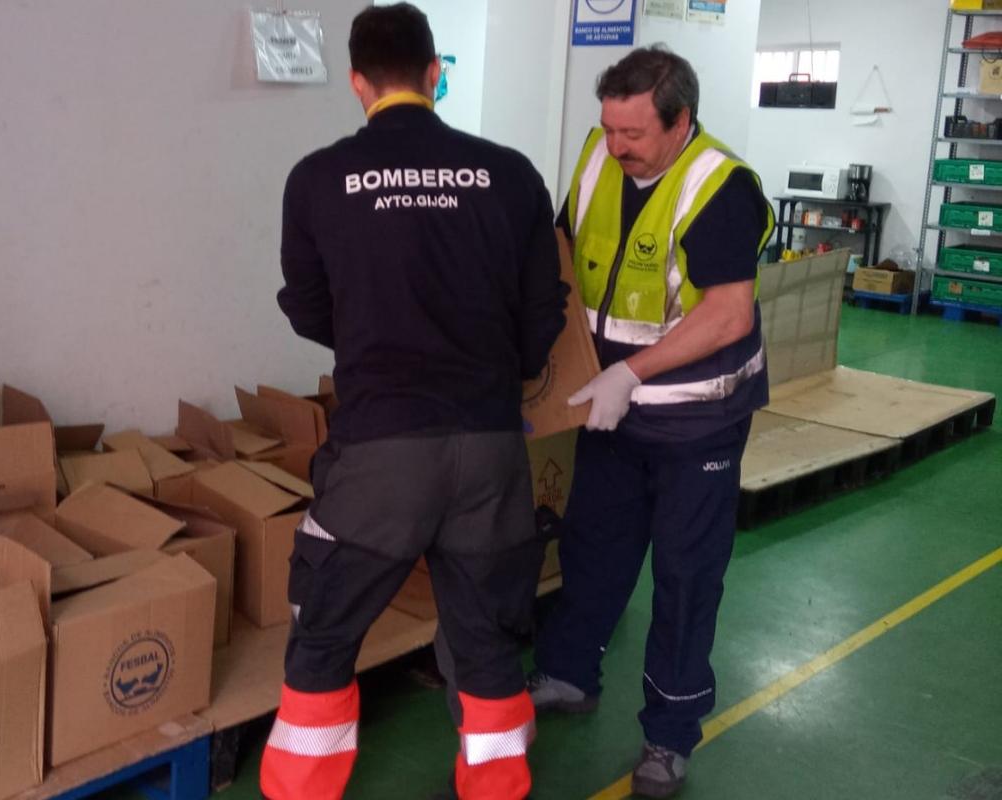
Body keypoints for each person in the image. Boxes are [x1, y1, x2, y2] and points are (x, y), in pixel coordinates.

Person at [258, 5, 568, 800]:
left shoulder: (319, 177)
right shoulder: (510, 174)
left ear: (357, 82)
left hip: (380, 453)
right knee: (487, 641)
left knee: (325, 634)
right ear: (437, 75)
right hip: (491, 447)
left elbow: (305, 306)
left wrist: (371, 343)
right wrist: (495, 373)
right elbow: (543, 317)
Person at [525, 46, 774, 799]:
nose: (615, 147)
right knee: (593, 549)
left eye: (633, 134)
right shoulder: (601, 164)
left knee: (686, 576)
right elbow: (567, 259)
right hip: (613, 412)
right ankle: (569, 674)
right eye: (607, 127)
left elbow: (727, 314)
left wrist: (628, 374)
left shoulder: (721, 187)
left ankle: (669, 734)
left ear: (681, 122)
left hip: (696, 422)